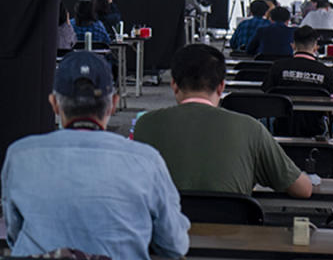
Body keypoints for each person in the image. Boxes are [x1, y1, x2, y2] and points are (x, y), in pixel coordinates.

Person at [1, 51, 189, 259]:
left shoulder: (20, 155)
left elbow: (14, 235)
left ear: (54, 104)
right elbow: (174, 244)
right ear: (113, 104)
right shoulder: (146, 161)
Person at [133, 45, 312, 198]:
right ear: (221, 86)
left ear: (174, 84)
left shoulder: (144, 125)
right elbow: (303, 189)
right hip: (232, 236)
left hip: (163, 237)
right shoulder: (250, 128)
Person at [261, 26, 333, 137]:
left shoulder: (277, 67)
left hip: (281, 128)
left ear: (293, 45)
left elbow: (267, 96)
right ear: (316, 47)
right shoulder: (327, 72)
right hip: (314, 130)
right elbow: (330, 108)